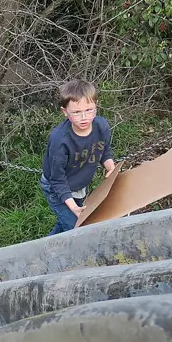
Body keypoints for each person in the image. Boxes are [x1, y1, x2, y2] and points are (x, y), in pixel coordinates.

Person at [40, 79, 116, 236]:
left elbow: (104, 150)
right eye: (76, 112)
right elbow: (57, 180)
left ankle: (44, 247)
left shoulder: (101, 127)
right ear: (65, 112)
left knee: (66, 223)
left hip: (79, 185)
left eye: (89, 110)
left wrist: (110, 167)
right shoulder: (60, 140)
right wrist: (73, 207)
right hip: (56, 188)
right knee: (77, 230)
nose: (84, 117)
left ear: (96, 106)